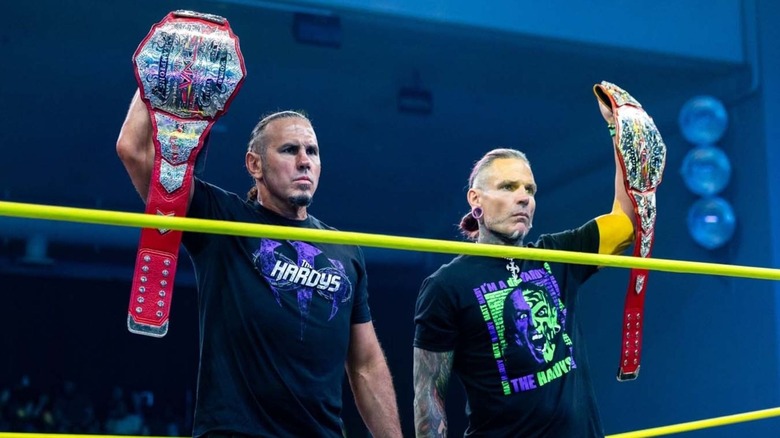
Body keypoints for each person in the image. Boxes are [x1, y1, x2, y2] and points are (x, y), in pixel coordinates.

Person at [116, 91, 402, 437]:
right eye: (289, 150)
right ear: (255, 165)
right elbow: (136, 152)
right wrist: (156, 75)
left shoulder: (346, 250)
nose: (304, 161)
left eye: (312, 151)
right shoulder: (223, 219)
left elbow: (366, 364)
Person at [413, 121, 638, 435]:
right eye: (508, 187)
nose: (523, 198)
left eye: (529, 190)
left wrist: (620, 131)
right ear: (475, 200)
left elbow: (626, 223)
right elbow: (429, 396)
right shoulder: (446, 285)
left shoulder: (558, 254)